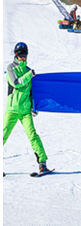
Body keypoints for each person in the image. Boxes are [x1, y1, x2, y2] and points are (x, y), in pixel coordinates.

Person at [3, 43, 50, 175]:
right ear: (15, 55)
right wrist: (30, 75)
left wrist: (34, 107)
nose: (22, 58)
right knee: (3, 135)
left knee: (33, 136)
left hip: (25, 112)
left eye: (24, 56)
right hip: (12, 109)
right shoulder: (10, 68)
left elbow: (31, 92)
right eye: (20, 56)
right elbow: (16, 83)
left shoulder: (28, 70)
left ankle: (43, 163)